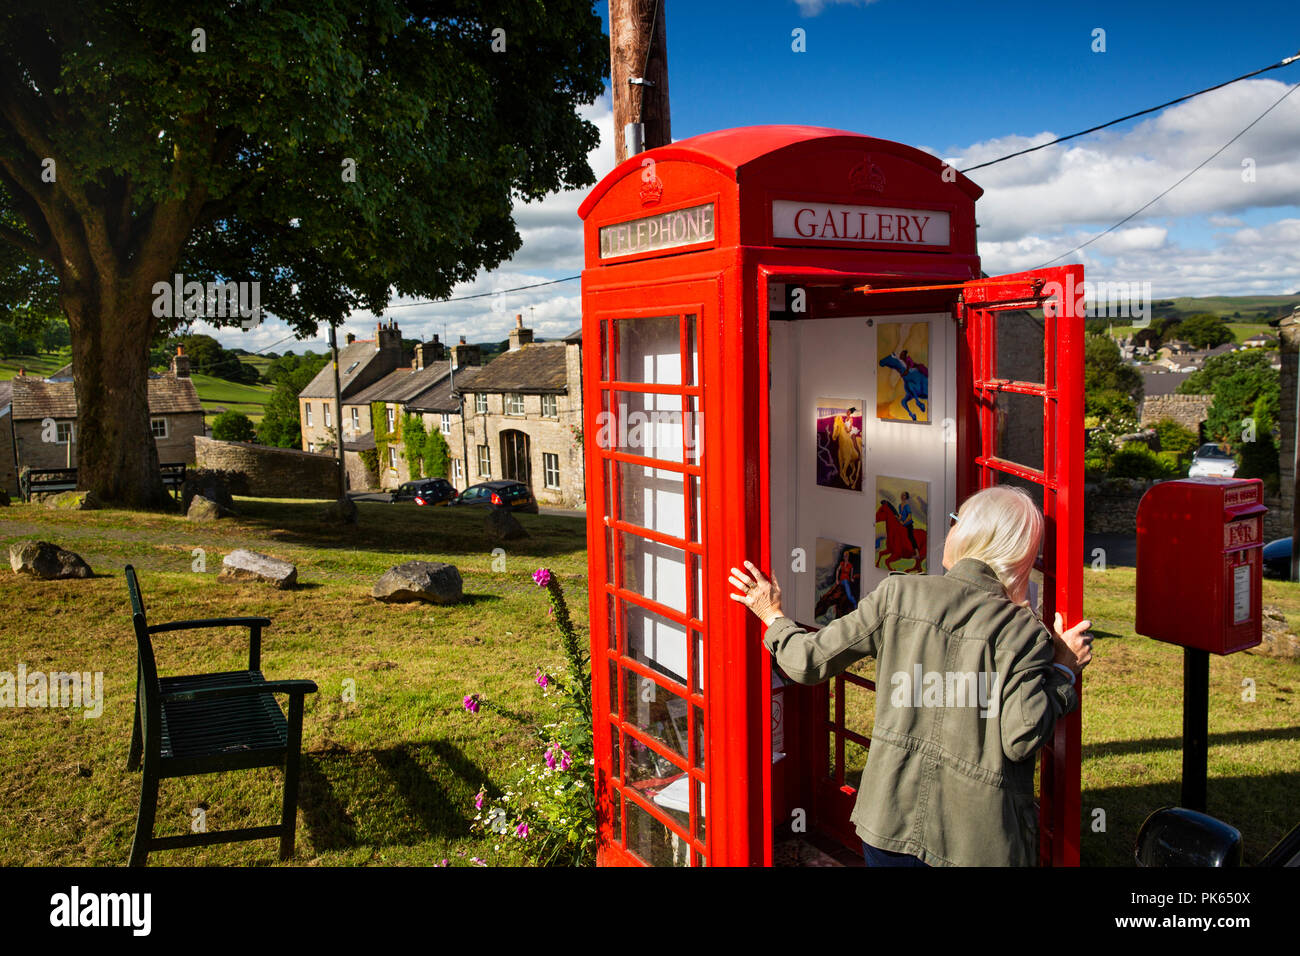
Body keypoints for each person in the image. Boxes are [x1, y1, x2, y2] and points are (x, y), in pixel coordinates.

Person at [728, 485, 1093, 867]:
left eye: (955, 521)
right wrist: (1062, 670)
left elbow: (805, 661)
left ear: (973, 534)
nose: (948, 529)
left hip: (887, 823)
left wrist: (770, 613)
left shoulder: (898, 594)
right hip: (975, 843)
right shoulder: (1024, 632)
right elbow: (1022, 736)